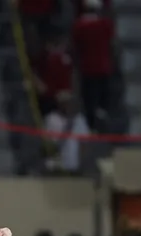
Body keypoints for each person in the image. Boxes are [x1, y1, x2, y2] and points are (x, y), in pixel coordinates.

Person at [72, 0, 114, 129]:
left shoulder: (79, 25)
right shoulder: (104, 24)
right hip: (103, 67)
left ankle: (92, 125)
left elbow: (76, 45)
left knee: (89, 100)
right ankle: (101, 119)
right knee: (102, 99)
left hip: (87, 68)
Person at [44, 91, 89, 173]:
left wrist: (81, 162)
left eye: (69, 103)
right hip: (55, 164)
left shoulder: (79, 119)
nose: (67, 105)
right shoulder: (51, 118)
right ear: (59, 104)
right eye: (64, 103)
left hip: (73, 165)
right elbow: (47, 141)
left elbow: (84, 143)